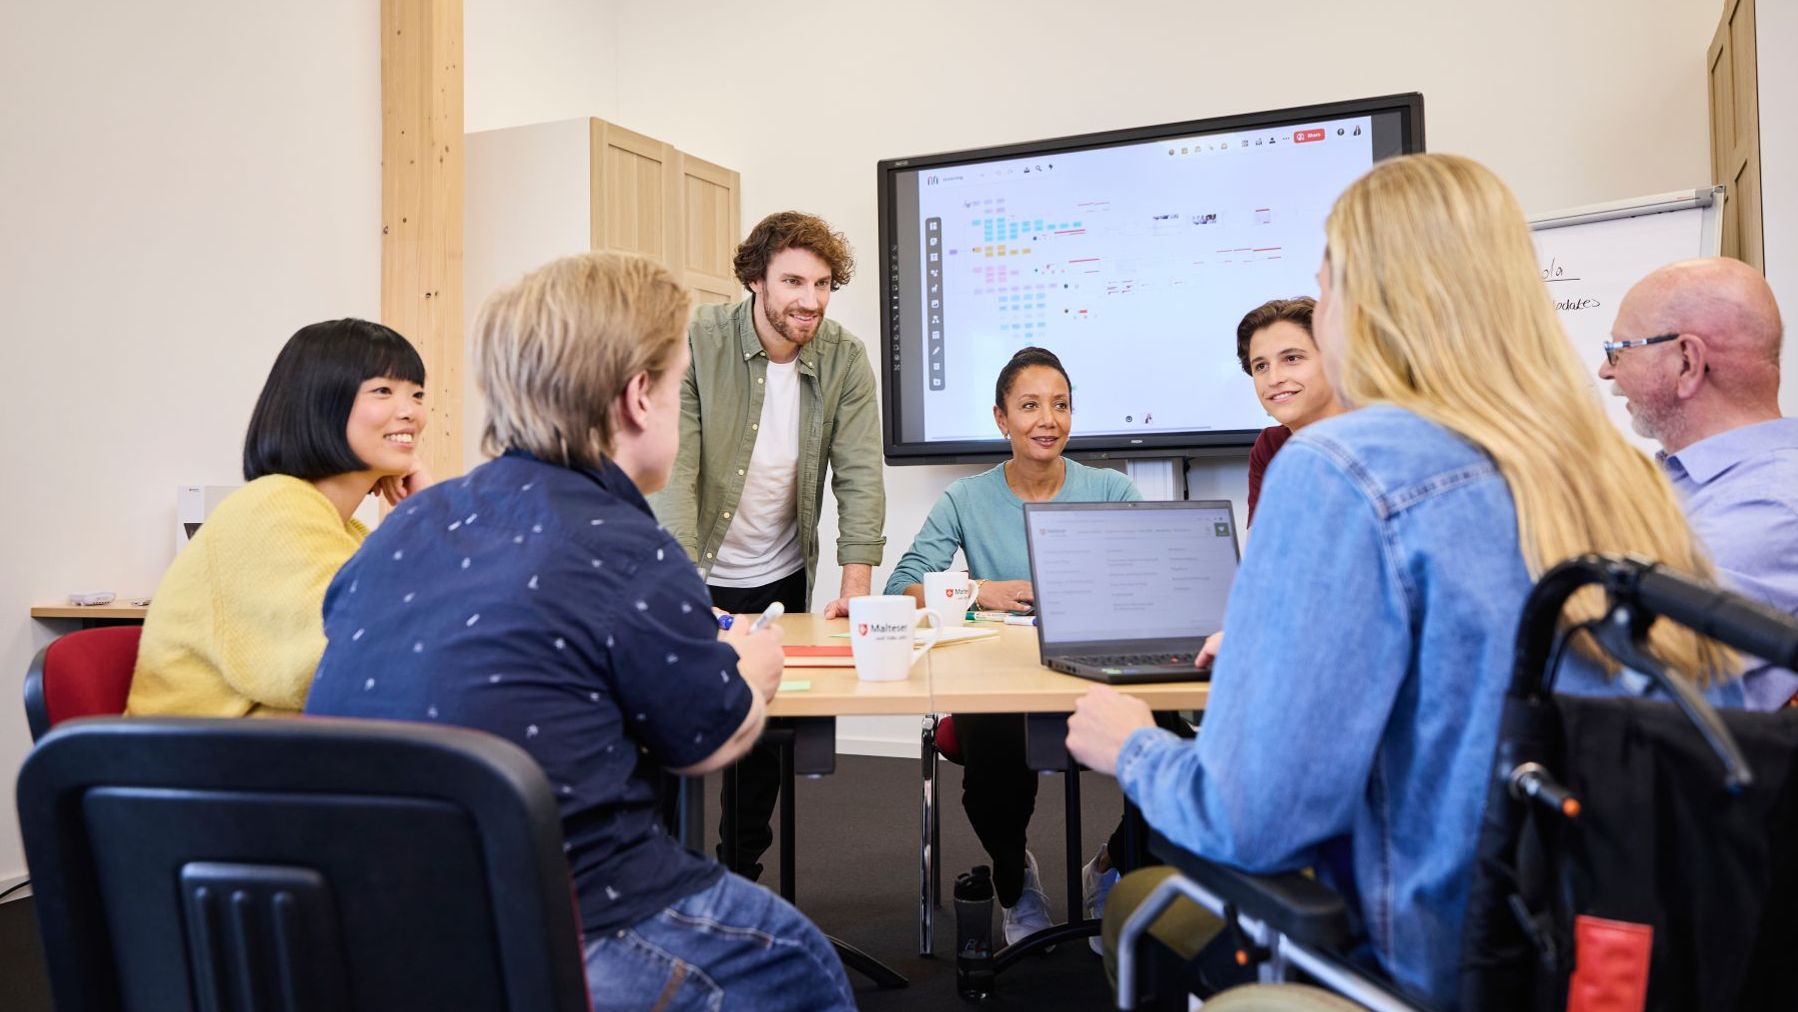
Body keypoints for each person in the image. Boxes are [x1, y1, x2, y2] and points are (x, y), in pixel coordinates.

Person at [1066, 154, 1744, 1007]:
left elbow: (1250, 820)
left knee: (1144, 903)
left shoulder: (1343, 468)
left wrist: (1129, 742)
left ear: (1363, 302)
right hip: (1620, 954)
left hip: (1441, 964)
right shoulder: (1623, 475)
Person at [304, 251, 855, 1011]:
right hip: (569, 921)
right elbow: (706, 739)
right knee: (796, 959)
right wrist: (752, 670)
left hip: (377, 925)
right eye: (678, 385)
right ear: (638, 398)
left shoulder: (405, 524)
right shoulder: (626, 542)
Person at [886, 346, 1179, 950]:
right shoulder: (967, 499)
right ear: (1001, 419)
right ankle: (1015, 882)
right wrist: (978, 590)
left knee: (1176, 740)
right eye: (1030, 405)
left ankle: (1111, 866)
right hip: (1003, 686)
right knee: (991, 755)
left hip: (1097, 680)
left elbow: (1151, 584)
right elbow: (903, 586)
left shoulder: (1113, 491)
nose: (1048, 418)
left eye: (1061, 404)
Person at [650, 211, 887, 882]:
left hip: (780, 577)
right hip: (692, 568)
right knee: (673, 727)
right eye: (792, 281)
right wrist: (684, 600)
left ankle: (739, 875)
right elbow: (675, 476)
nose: (809, 299)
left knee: (761, 740)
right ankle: (667, 880)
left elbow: (861, 473)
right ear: (756, 280)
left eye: (821, 283)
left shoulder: (844, 356)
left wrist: (856, 589)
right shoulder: (698, 341)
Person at [127, 319, 432, 718]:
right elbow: (343, 665)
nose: (411, 412)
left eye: (418, 394)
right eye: (383, 391)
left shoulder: (347, 532)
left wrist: (422, 515)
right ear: (319, 403)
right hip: (195, 766)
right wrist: (430, 519)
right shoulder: (273, 507)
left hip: (269, 759)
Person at [1599, 256, 1798, 710]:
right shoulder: (1694, 485)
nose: (1606, 372)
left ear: (1688, 361)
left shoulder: (1768, 505)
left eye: (1618, 351)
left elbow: (1630, 675)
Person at [1233, 296, 1345, 527]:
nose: (1274, 379)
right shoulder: (1270, 446)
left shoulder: (1375, 441)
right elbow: (1262, 552)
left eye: (1292, 358)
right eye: (1261, 366)